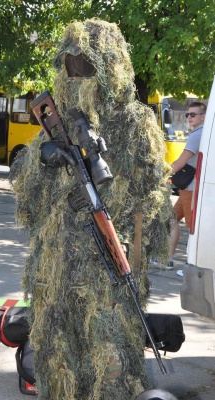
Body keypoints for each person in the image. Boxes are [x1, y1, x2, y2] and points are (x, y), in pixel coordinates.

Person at [11, 19, 173, 399]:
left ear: (110, 66)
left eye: (87, 65)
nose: (78, 75)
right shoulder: (56, 121)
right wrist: (42, 157)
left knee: (110, 361)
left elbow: (152, 200)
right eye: (71, 66)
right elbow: (28, 200)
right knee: (57, 357)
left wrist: (134, 250)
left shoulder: (134, 123)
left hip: (107, 272)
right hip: (56, 265)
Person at [168, 101, 207, 273]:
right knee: (170, 219)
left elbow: (180, 162)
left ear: (203, 116)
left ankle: (192, 267)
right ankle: (168, 259)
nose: (189, 117)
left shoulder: (197, 135)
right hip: (189, 187)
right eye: (187, 114)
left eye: (193, 114)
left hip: (191, 189)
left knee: (192, 229)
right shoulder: (203, 134)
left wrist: (163, 172)